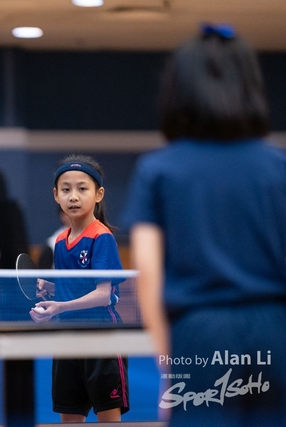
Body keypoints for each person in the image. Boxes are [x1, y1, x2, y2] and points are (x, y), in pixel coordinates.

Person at [121, 24, 286, 426]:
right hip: (276, 329)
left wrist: (168, 367)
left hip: (200, 334)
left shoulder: (158, 170)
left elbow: (148, 275)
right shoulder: (280, 168)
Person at [30, 154, 129, 422]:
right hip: (67, 334)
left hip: (101, 334)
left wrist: (58, 307)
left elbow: (102, 294)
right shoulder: (61, 242)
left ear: (98, 194)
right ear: (55, 195)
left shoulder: (101, 237)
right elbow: (71, 285)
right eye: (66, 189)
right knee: (70, 416)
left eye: (82, 189)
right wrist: (49, 287)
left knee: (108, 416)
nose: (73, 196)